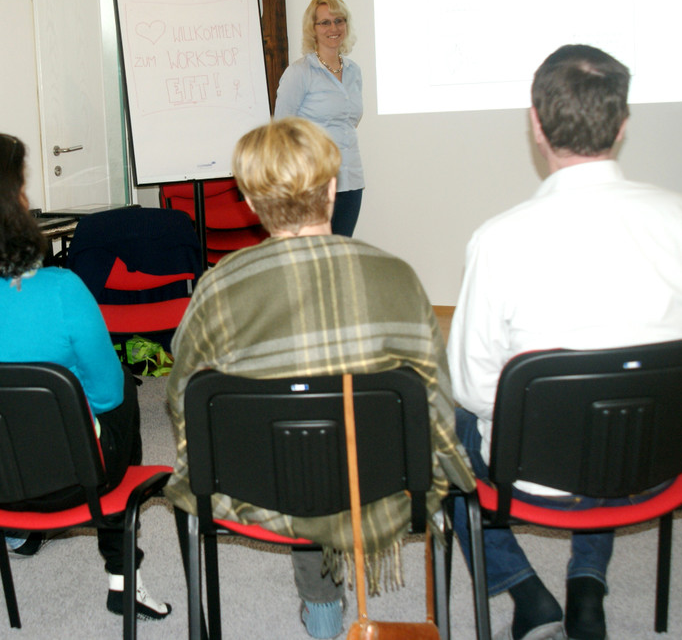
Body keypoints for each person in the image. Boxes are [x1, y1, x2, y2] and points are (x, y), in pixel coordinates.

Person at [165, 117, 474, 639]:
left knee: (299, 438)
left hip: (259, 485)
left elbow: (182, 395)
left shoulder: (218, 288)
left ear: (251, 201)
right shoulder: (397, 276)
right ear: (332, 189)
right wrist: (446, 470)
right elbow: (436, 400)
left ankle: (321, 603)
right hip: (382, 482)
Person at [447, 44, 682, 640]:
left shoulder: (499, 239)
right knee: (619, 400)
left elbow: (473, 386)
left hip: (534, 476)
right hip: (657, 465)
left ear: (536, 125)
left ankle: (526, 593)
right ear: (622, 124)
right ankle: (588, 585)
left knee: (445, 428)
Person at [0, 132, 171, 622]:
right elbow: (107, 394)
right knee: (125, 391)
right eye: (20, 188)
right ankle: (121, 573)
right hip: (70, 480)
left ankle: (16, 530)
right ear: (8, 205)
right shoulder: (62, 289)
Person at [273, 0, 364, 237]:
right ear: (312, 29)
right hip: (313, 183)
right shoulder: (300, 72)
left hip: (351, 180)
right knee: (313, 253)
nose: (333, 28)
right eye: (325, 22)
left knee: (339, 251)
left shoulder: (354, 72)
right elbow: (281, 130)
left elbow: (350, 122)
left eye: (339, 20)